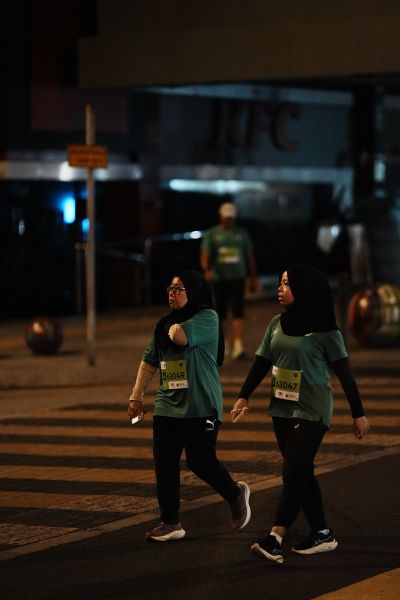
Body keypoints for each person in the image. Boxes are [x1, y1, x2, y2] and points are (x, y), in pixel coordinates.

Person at [231, 264, 370, 564]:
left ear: (304, 289)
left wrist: (358, 414)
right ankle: (322, 533)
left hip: (312, 409)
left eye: (287, 284)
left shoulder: (325, 331)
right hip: (281, 408)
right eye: (280, 283)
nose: (280, 289)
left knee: (292, 471)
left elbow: (345, 374)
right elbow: (261, 361)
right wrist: (244, 395)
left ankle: (275, 537)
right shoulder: (276, 323)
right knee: (302, 472)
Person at [128, 268, 251, 542]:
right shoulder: (164, 324)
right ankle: (171, 522)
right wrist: (136, 396)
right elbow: (149, 361)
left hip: (201, 405)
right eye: (170, 289)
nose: (172, 294)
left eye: (179, 289)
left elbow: (180, 337)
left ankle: (235, 494)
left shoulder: (207, 317)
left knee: (200, 461)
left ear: (193, 292)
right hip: (167, 405)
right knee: (164, 463)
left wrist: (171, 326)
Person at [200, 202, 257, 360]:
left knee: (238, 311)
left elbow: (249, 255)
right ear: (220, 217)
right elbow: (205, 254)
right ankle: (223, 343)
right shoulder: (212, 234)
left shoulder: (241, 233)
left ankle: (238, 345)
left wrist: (253, 277)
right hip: (219, 278)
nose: (229, 221)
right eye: (226, 218)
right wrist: (207, 269)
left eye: (231, 218)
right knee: (221, 312)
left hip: (238, 277)